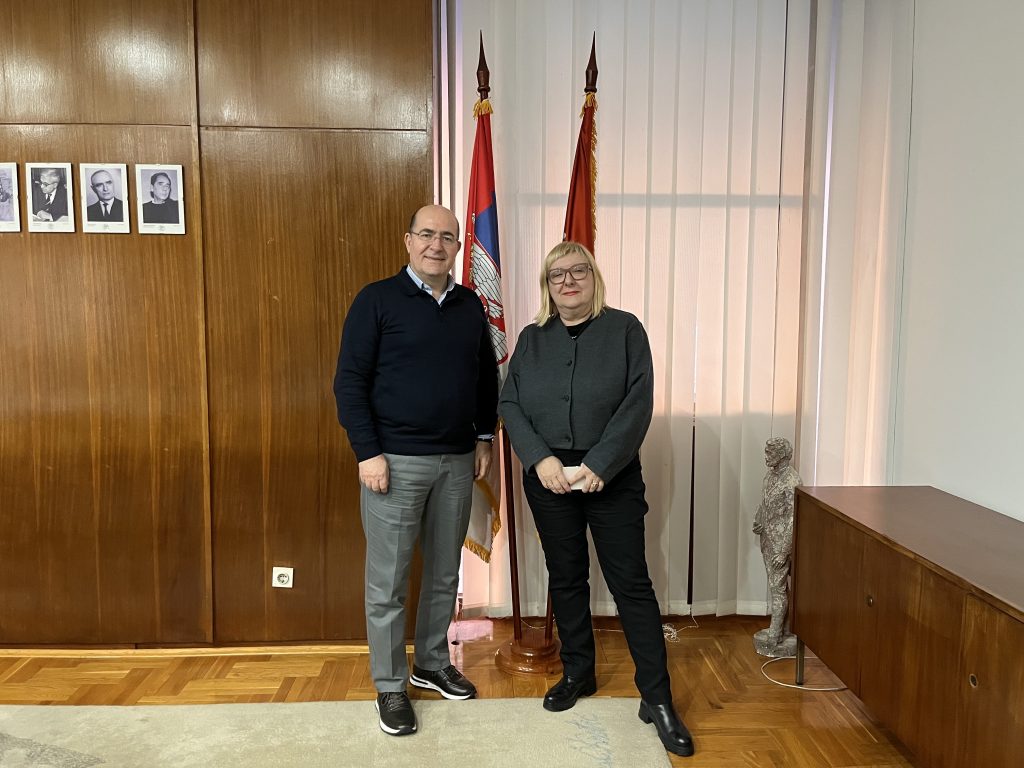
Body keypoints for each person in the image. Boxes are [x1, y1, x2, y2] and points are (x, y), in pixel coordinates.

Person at [498, 241, 694, 758]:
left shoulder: (625, 329)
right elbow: (509, 402)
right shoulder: (532, 338)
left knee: (631, 583)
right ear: (547, 285)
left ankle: (656, 697)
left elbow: (638, 401)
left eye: (577, 271)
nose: (568, 281)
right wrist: (539, 459)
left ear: (594, 277)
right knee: (566, 577)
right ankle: (578, 673)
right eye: (556, 274)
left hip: (612, 476)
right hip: (549, 479)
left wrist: (602, 464)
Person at [333, 204, 498, 737]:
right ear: (408, 241)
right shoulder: (376, 300)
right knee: (388, 582)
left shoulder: (470, 305)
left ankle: (431, 663)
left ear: (457, 247)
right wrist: (367, 453)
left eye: (447, 237)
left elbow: (484, 379)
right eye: (427, 234)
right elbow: (349, 383)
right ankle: (390, 684)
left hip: (457, 461)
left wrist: (484, 436)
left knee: (444, 573)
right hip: (394, 463)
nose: (436, 245)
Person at [752, 437, 801, 652]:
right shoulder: (770, 476)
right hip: (768, 539)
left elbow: (793, 518)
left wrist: (783, 551)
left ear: (781, 455)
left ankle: (774, 636)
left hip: (780, 544)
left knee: (777, 590)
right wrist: (759, 520)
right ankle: (785, 629)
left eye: (770, 453)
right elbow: (765, 503)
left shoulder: (791, 481)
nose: (766, 457)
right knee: (779, 587)